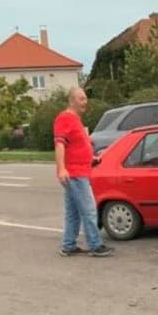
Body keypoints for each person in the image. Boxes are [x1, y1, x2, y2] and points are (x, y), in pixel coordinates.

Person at [54, 87, 113, 258]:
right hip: (74, 173)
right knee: (89, 209)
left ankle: (68, 245)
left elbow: (77, 146)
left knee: (73, 212)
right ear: (71, 100)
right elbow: (60, 144)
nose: (85, 102)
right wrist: (62, 168)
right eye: (81, 99)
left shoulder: (75, 119)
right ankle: (95, 245)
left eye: (85, 98)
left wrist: (91, 158)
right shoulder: (65, 118)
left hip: (79, 170)